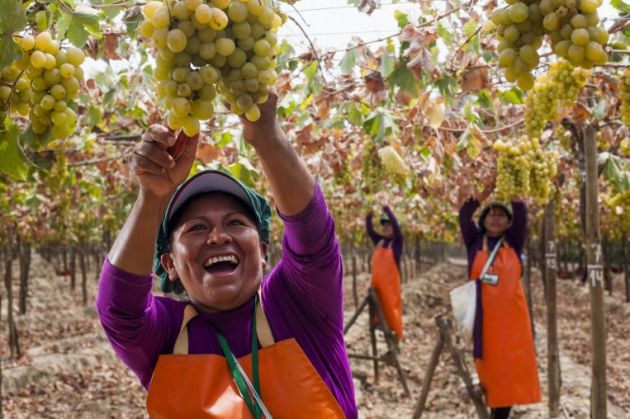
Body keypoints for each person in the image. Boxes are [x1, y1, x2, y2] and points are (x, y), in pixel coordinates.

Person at [96, 92, 357, 418]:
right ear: (170, 264)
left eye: (234, 223)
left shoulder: (295, 305)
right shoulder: (168, 335)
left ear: (263, 252)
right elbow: (118, 308)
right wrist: (150, 197)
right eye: (196, 228)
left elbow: (313, 236)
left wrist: (267, 138)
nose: (218, 237)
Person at [457, 183, 541, 419]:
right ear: (483, 220)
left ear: (508, 222)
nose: (495, 218)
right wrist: (484, 191)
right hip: (484, 324)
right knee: (491, 375)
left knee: (509, 374)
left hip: (513, 324)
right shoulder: (474, 241)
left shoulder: (513, 242)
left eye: (501, 215)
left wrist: (512, 183)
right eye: (491, 214)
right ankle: (496, 412)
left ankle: (500, 415)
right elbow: (464, 214)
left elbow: (522, 213)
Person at [365, 206, 403, 342]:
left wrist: (388, 211)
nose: (386, 227)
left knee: (392, 315)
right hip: (377, 289)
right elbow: (370, 231)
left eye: (389, 225)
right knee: (378, 316)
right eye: (384, 225)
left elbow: (398, 231)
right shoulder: (380, 241)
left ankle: (396, 343)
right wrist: (368, 217)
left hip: (390, 290)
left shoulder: (397, 243)